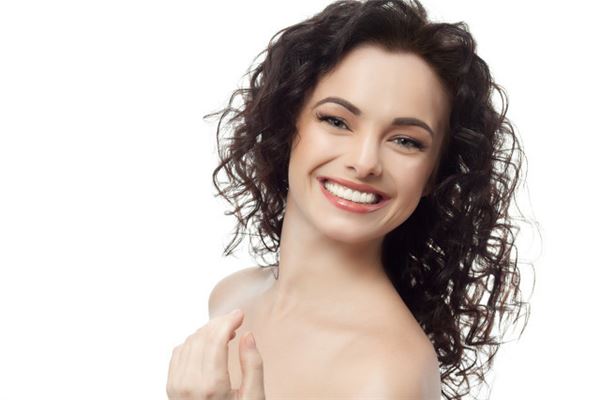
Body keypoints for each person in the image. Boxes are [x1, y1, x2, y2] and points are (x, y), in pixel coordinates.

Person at [166, 1, 534, 399]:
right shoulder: (231, 297)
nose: (364, 162)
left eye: (406, 141)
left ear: (434, 174)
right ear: (286, 123)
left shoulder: (388, 375)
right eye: (337, 121)